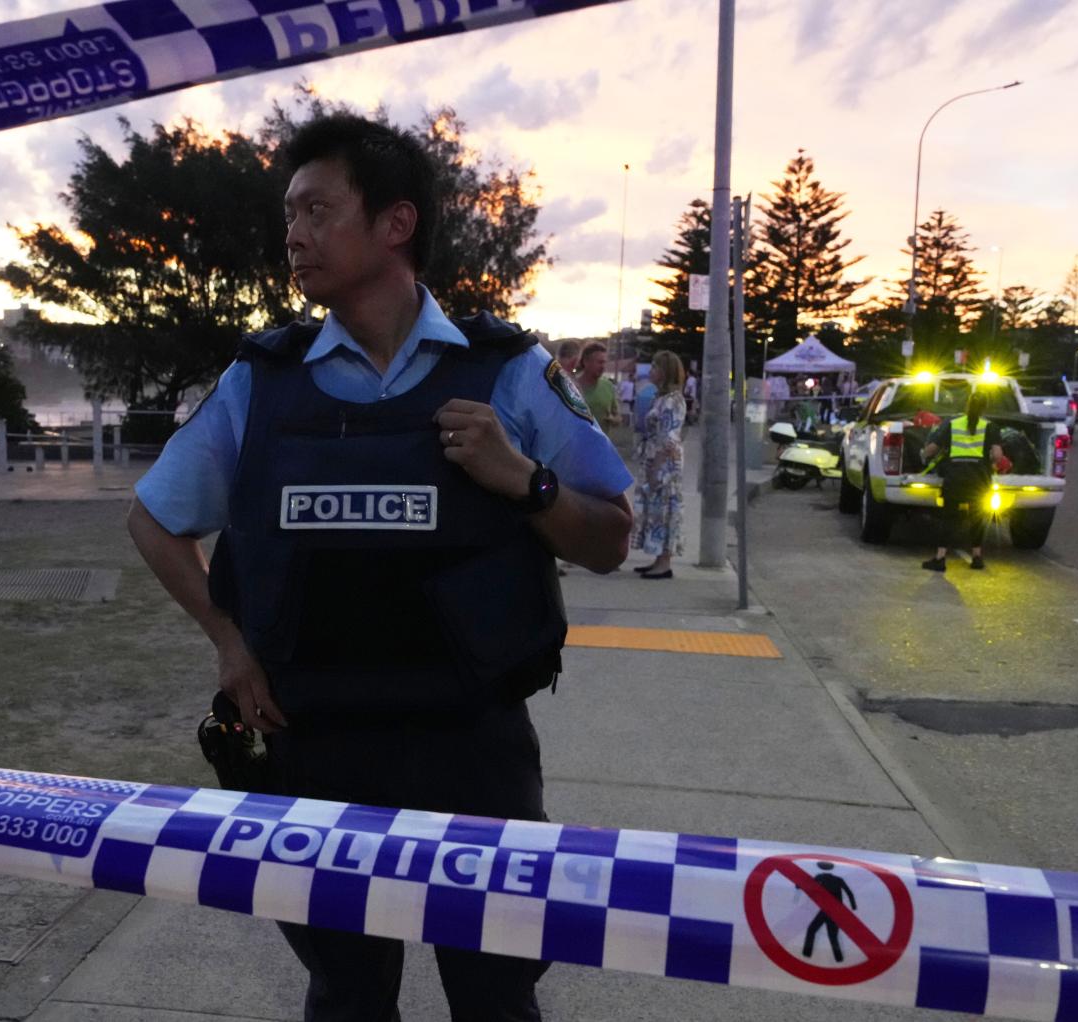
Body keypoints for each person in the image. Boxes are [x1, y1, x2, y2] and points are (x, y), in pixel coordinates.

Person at [125, 113, 633, 1022]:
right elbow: (155, 521)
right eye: (289, 215)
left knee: (493, 994)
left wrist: (524, 481)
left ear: (394, 224)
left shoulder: (508, 372)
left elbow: (611, 538)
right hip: (315, 740)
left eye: (318, 209)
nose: (294, 234)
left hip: (471, 743)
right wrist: (228, 644)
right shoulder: (263, 381)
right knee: (347, 994)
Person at [918, 389, 1005, 572]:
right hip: (979, 479)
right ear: (985, 407)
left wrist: (923, 455)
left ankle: (940, 558)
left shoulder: (952, 424)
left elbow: (933, 448)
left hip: (955, 477)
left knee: (948, 518)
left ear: (967, 405)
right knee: (977, 517)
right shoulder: (990, 427)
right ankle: (977, 557)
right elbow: (997, 455)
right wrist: (990, 462)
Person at [632, 351, 687, 580]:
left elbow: (669, 437)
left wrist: (657, 467)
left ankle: (664, 562)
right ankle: (658, 557)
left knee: (663, 510)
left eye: (655, 367)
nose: (651, 371)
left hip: (664, 462)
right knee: (654, 511)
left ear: (664, 371)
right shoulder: (662, 398)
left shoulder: (673, 400)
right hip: (655, 457)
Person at [575, 342, 618, 431]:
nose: (603, 366)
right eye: (599, 362)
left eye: (604, 362)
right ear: (586, 362)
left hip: (602, 443)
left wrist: (614, 420)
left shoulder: (608, 386)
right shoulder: (571, 387)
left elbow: (617, 416)